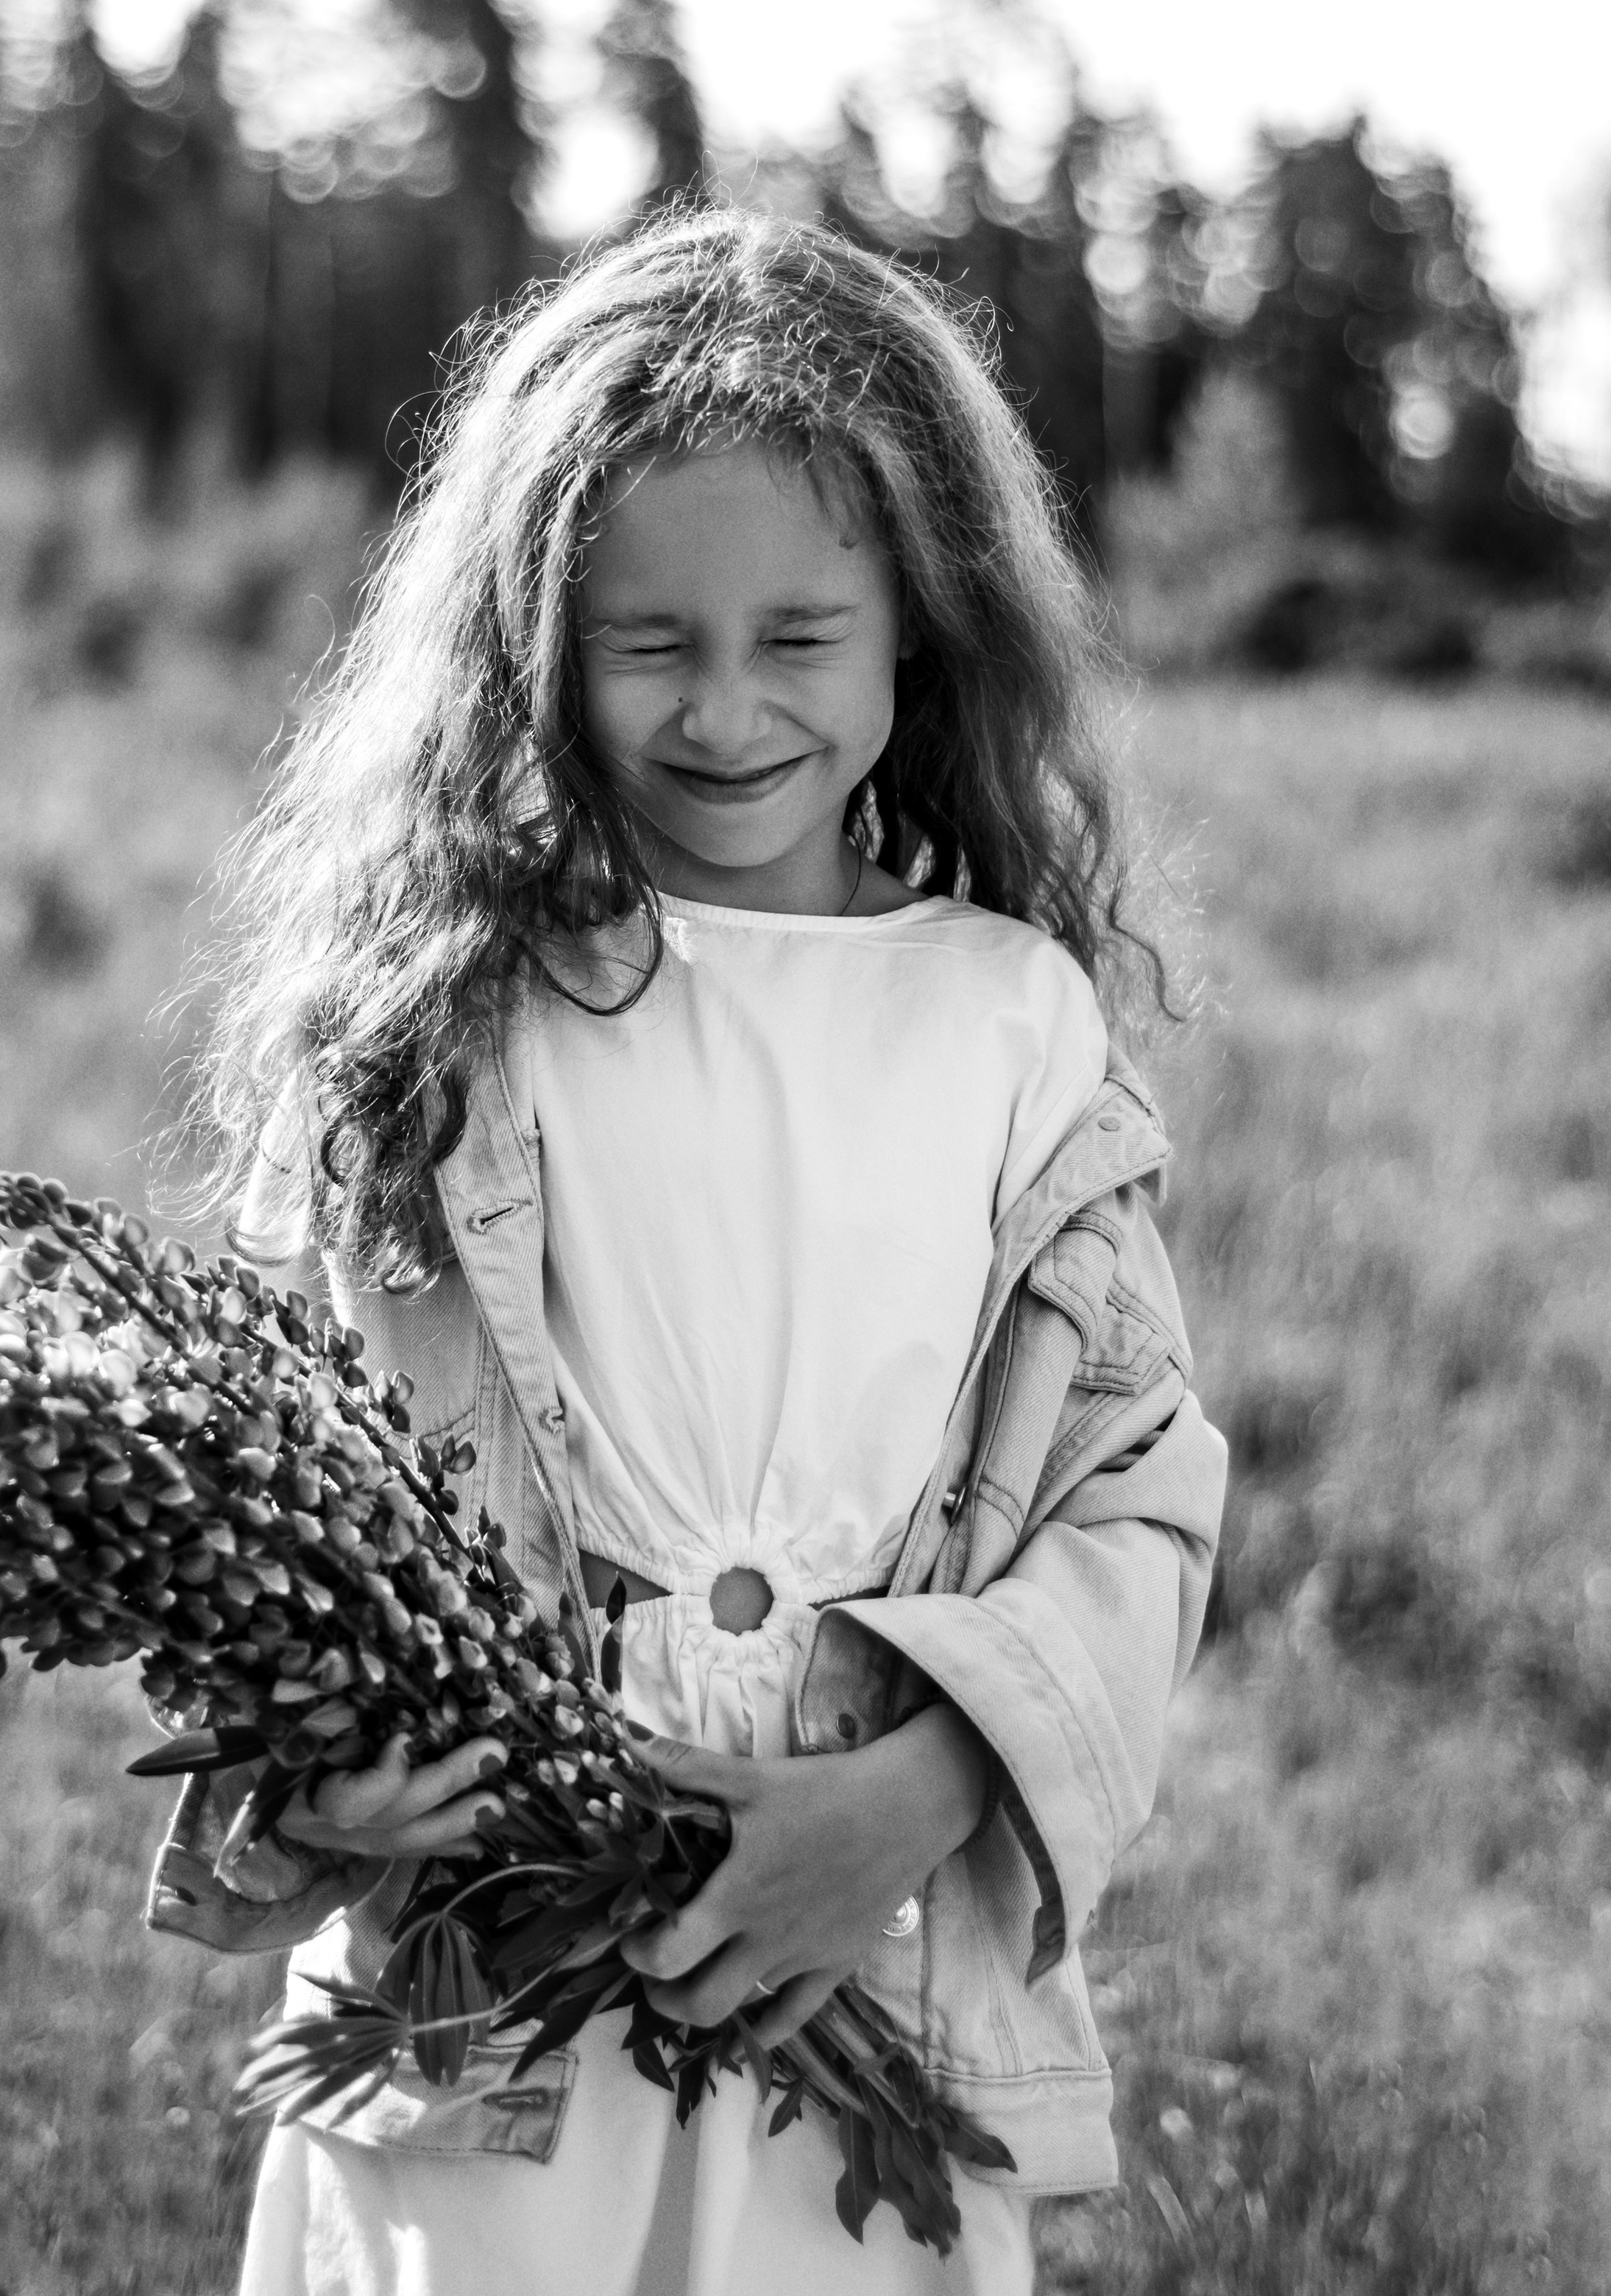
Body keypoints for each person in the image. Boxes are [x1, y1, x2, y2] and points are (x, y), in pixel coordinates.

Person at [163, 208, 1228, 2295]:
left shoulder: (1014, 1020)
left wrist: (927, 1787)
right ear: (535, 646)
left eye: (798, 635)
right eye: (651, 641)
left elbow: (1139, 1494)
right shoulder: (444, 1025)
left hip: (866, 1961)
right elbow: (265, 1481)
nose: (726, 709)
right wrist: (328, 1775)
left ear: (919, 627)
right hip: (487, 1985)